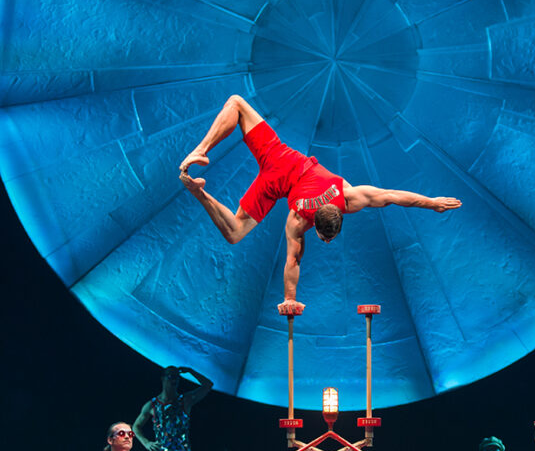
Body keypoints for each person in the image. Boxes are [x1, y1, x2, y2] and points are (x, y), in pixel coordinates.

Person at [179, 95, 462, 313]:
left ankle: (200, 151)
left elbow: (392, 196)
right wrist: (289, 299)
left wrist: (431, 201)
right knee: (235, 232)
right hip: (273, 184)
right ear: (322, 225)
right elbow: (293, 260)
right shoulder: (299, 220)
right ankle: (199, 192)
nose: (325, 241)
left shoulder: (348, 195)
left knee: (237, 103)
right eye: (326, 238)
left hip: (281, 157)